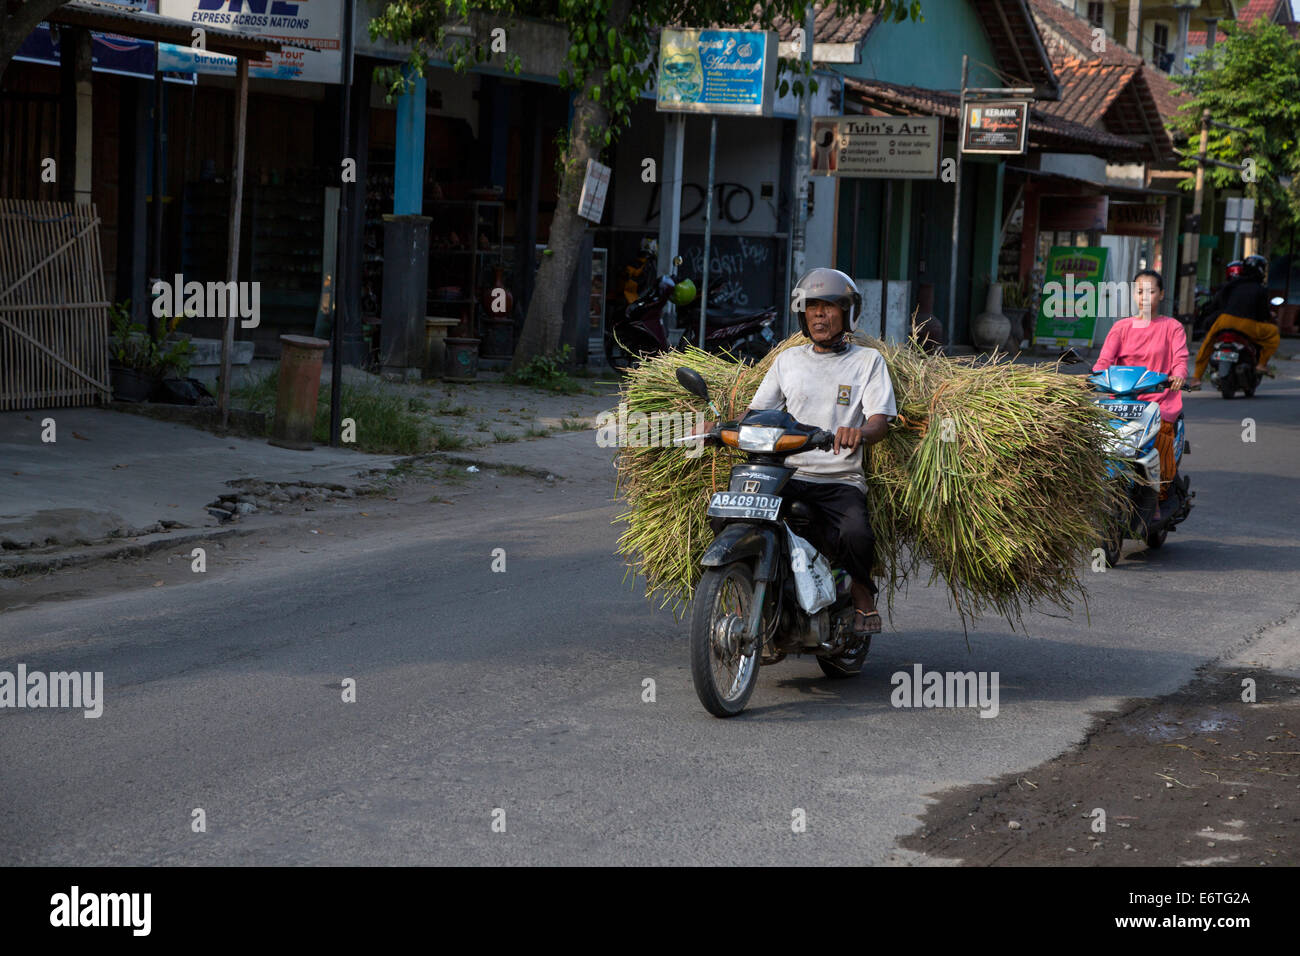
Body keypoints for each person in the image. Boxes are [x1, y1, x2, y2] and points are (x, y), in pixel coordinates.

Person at [700, 268, 896, 640]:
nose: (819, 315)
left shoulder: (867, 362)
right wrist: (719, 428)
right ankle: (747, 586)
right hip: (785, 473)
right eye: (812, 307)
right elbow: (757, 413)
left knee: (855, 533)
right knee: (729, 513)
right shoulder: (788, 361)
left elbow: (879, 421)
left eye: (828, 307)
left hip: (837, 477)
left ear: (848, 312)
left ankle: (861, 596)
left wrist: (860, 432)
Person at [1092, 269, 1188, 508]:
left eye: (1151, 291)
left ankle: (1156, 497)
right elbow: (1104, 361)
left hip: (1159, 402)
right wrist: (1095, 375)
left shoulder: (1172, 327)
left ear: (1162, 294)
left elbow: (1180, 359)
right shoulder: (1121, 327)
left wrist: (1178, 375)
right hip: (1122, 401)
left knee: (1158, 444)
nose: (1145, 297)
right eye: (1139, 291)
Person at [1192, 253, 1279, 385]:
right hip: (1247, 325)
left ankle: (1196, 378)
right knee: (1273, 333)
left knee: (1207, 345)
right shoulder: (1260, 288)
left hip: (1224, 321)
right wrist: (1270, 316)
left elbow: (1218, 305)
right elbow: (1263, 314)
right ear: (1261, 270)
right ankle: (1261, 364)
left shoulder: (1231, 285)